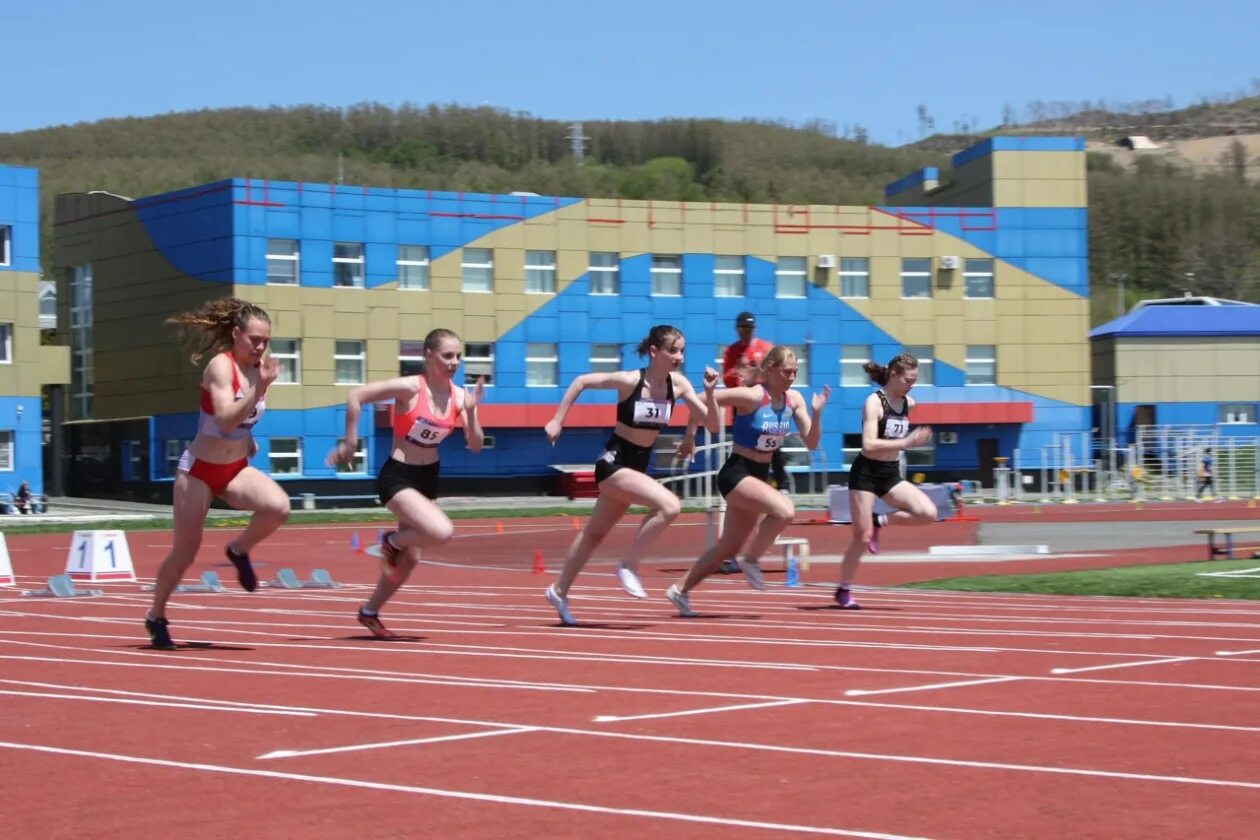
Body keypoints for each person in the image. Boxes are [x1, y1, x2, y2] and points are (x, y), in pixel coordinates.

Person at [543, 325, 718, 626]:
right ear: (654, 352)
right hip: (613, 462)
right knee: (670, 505)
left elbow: (713, 423)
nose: (679, 356)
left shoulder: (680, 386)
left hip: (637, 466)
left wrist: (709, 399)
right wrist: (558, 420)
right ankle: (628, 565)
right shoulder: (629, 381)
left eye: (682, 350)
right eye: (673, 350)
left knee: (594, 534)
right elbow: (582, 381)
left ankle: (559, 591)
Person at [145, 298, 291, 650]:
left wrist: (249, 438)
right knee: (185, 552)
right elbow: (225, 417)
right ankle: (156, 615)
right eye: (253, 339)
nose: (259, 347)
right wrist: (259, 388)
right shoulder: (220, 367)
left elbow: (242, 420)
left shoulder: (259, 371)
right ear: (236, 334)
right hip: (198, 471)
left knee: (279, 507)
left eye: (265, 341)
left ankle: (239, 550)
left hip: (234, 468)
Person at [328, 328, 485, 639]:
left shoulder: (459, 397)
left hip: (428, 477)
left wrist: (472, 410)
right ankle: (390, 542)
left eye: (458, 356)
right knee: (441, 532)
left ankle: (369, 612)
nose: (454, 362)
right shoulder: (411, 388)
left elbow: (476, 445)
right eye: (447, 355)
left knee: (410, 558)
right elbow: (356, 396)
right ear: (429, 355)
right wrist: (350, 443)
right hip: (398, 475)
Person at [665, 346, 830, 616]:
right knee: (785, 510)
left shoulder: (795, 400)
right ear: (770, 369)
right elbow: (700, 399)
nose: (791, 377)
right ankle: (752, 559)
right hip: (737, 473)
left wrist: (818, 412)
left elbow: (812, 443)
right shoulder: (753, 396)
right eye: (786, 372)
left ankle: (680, 590)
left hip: (758, 475)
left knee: (727, 546)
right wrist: (690, 437)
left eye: (795, 372)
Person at [834, 354, 937, 610]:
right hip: (866, 473)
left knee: (928, 512)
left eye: (915, 381)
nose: (911, 385)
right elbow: (868, 445)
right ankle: (844, 589)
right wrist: (907, 443)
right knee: (862, 535)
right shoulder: (874, 402)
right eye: (908, 380)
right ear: (894, 375)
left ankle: (882, 520)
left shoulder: (908, 402)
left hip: (889, 473)